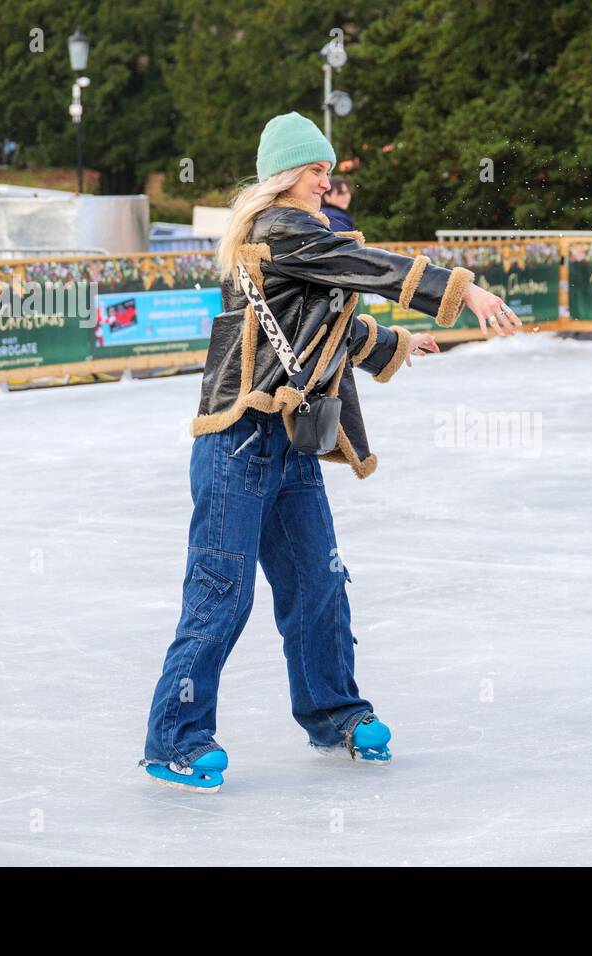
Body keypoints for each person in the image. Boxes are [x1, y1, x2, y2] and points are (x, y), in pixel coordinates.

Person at [140, 111, 522, 792]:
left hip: (288, 444)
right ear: (285, 177)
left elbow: (320, 322)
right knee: (221, 597)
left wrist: (394, 346)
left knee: (318, 587)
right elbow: (361, 266)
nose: (327, 179)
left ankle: (333, 713)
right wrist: (462, 289)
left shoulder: (301, 241)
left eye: (328, 168)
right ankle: (174, 737)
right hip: (236, 442)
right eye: (316, 169)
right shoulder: (279, 233)